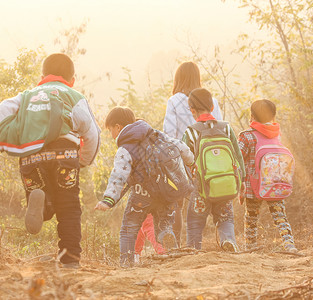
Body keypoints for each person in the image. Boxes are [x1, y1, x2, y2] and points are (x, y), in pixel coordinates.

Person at [0, 53, 100, 268]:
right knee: (68, 207)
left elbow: (3, 108)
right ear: (72, 79)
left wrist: (6, 136)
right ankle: (69, 261)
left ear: (42, 77)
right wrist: (83, 161)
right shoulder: (74, 96)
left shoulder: (28, 95)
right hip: (65, 155)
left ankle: (42, 202)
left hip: (32, 155)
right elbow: (91, 132)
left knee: (41, 195)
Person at [94, 106, 193, 267]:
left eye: (111, 130)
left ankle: (126, 263)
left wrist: (108, 200)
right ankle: (168, 242)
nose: (111, 135)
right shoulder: (156, 135)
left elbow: (119, 176)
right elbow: (180, 146)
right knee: (164, 223)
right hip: (164, 192)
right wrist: (191, 162)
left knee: (129, 228)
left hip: (142, 194)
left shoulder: (125, 148)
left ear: (118, 127)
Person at [163, 61, 223, 246]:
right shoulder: (211, 101)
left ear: (178, 79)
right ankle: (224, 239)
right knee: (215, 200)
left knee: (176, 204)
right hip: (210, 158)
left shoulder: (174, 101)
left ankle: (177, 245)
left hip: (182, 159)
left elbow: (169, 134)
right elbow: (219, 128)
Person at [182, 88, 244, 252]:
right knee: (225, 218)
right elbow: (238, 158)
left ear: (192, 110)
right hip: (226, 184)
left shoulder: (191, 132)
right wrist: (241, 181)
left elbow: (183, 161)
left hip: (201, 188)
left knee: (195, 221)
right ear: (212, 108)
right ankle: (228, 241)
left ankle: (194, 249)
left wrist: (188, 184)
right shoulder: (226, 129)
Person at [238, 99, 298, 252]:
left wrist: (239, 184)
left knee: (251, 218)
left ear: (251, 116)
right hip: (275, 184)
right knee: (280, 215)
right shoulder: (276, 134)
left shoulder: (246, 136)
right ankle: (289, 244)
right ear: (273, 117)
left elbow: (238, 159)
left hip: (253, 186)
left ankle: (250, 247)